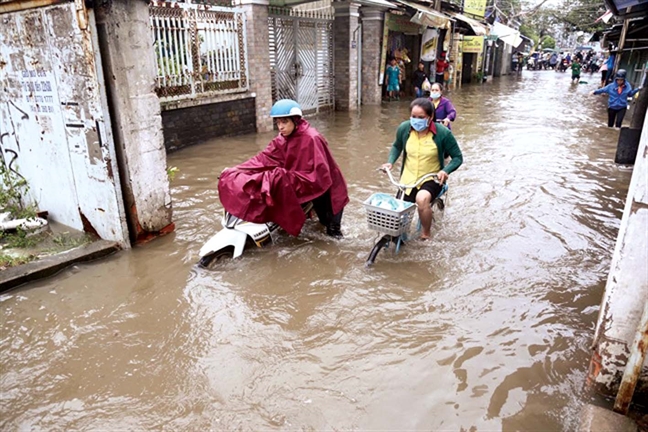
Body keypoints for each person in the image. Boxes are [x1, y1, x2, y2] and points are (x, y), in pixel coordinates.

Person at [218, 99, 349, 237]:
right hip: (306, 189)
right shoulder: (282, 139)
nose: (280, 127)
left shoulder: (312, 138)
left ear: (296, 121)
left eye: (284, 122)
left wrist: (283, 176)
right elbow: (262, 159)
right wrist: (236, 170)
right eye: (278, 122)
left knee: (332, 233)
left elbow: (318, 177)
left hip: (327, 192)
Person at [381, 98, 463, 240]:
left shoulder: (443, 133)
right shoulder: (404, 129)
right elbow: (396, 146)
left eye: (421, 117)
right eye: (413, 116)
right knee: (396, 213)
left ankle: (426, 233)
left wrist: (445, 170)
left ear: (430, 117)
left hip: (431, 178)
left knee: (422, 199)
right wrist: (390, 162)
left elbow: (457, 157)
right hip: (408, 179)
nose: (416, 120)